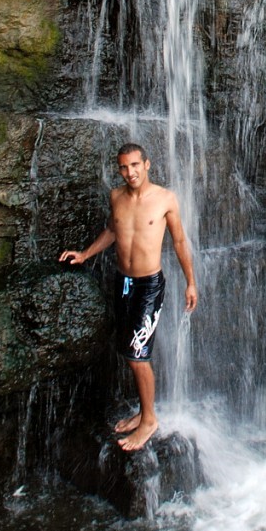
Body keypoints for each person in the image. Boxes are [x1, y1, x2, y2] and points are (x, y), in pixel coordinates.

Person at [59, 143, 198, 452]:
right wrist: (84, 254)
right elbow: (112, 230)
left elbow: (178, 240)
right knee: (129, 351)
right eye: (124, 167)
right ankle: (143, 412)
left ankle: (149, 420)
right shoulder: (116, 197)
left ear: (147, 164)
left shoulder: (165, 199)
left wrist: (191, 282)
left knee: (137, 355)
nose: (130, 172)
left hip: (149, 285)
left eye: (135, 165)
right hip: (123, 282)